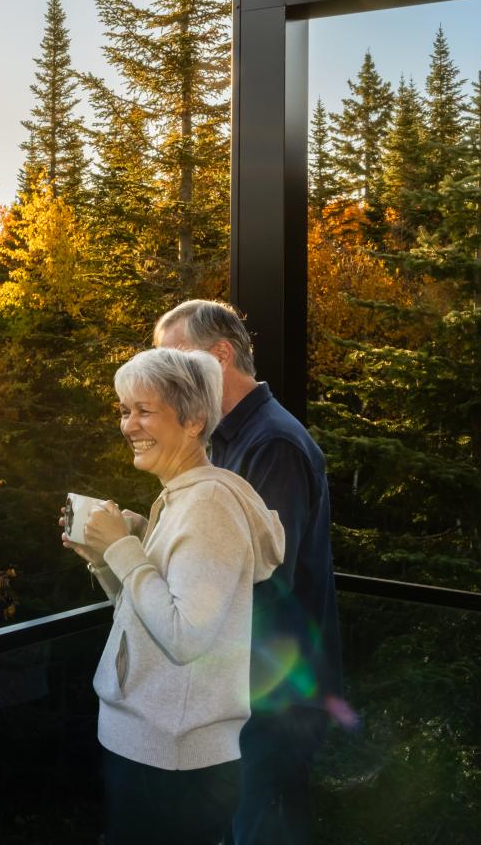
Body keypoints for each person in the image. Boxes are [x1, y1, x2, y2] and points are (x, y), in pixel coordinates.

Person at [62, 347, 285, 845]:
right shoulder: (180, 497)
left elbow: (185, 637)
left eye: (144, 411)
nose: (129, 426)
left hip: (171, 762)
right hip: (152, 750)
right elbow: (142, 613)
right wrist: (103, 556)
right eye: (124, 411)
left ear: (193, 421)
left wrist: (122, 546)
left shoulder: (207, 502)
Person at [154, 299, 344, 845]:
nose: (168, 378)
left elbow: (266, 576)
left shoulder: (273, 444)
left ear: (221, 354)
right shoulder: (223, 442)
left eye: (177, 360)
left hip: (275, 697)